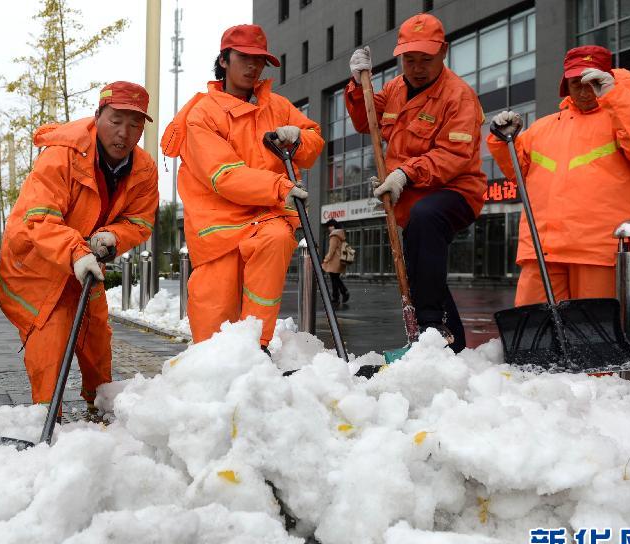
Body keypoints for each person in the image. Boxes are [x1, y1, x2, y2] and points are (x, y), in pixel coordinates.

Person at [162, 24, 324, 352]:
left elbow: (312, 142)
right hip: (217, 230)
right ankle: (213, 376)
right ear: (224, 60)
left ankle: (256, 349)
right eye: (245, 58)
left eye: (259, 61)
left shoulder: (277, 107)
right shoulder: (203, 114)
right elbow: (224, 175)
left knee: (277, 238)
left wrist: (299, 136)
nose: (253, 67)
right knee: (212, 331)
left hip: (264, 220)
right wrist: (280, 187)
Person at [0, 82, 158, 411]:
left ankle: (100, 408)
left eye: (135, 124)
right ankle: (47, 419)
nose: (124, 133)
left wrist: (113, 236)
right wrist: (76, 251)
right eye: (116, 121)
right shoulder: (61, 155)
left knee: (96, 338)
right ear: (97, 116)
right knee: (51, 340)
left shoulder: (143, 170)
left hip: (83, 264)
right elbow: (40, 218)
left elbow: (140, 221)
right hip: (36, 266)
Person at [344, 13, 486, 353]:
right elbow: (367, 120)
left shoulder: (458, 97)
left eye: (426, 59)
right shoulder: (395, 88)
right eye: (410, 59)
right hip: (412, 201)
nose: (417, 67)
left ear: (443, 53)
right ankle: (452, 344)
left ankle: (429, 328)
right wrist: (356, 84)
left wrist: (406, 173)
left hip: (457, 191)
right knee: (422, 273)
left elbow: (454, 155)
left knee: (427, 219)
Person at [488, 46, 630, 306]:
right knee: (535, 333)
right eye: (577, 83)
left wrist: (616, 96)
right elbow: (517, 171)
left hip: (598, 252)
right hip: (543, 252)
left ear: (607, 80)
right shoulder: (543, 128)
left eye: (593, 83)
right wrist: (502, 140)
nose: (585, 92)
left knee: (596, 336)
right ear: (566, 85)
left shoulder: (628, 114)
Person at [322, 218, 350, 306]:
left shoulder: (334, 236)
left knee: (334, 279)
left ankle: (337, 297)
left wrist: (325, 259)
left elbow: (331, 251)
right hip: (339, 260)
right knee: (336, 279)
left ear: (333, 226)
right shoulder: (341, 235)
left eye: (330, 226)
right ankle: (342, 294)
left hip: (334, 261)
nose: (329, 228)